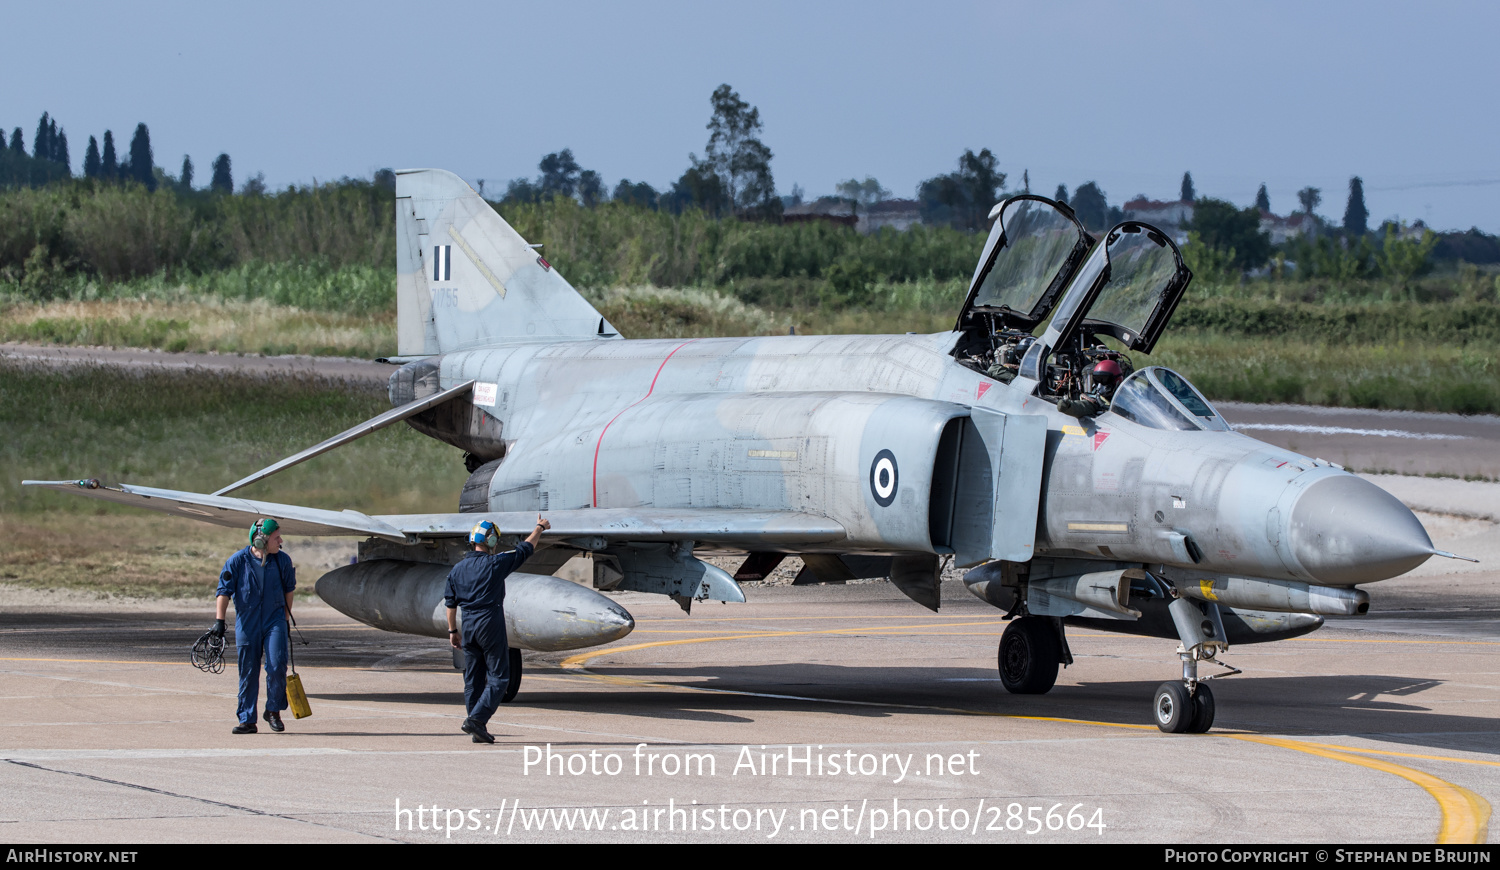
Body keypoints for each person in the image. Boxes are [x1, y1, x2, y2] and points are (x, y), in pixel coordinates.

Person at [445, 515, 549, 744]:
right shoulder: (495, 563)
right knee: (500, 677)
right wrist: (539, 528)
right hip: (489, 623)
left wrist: (453, 631)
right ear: (491, 541)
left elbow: (450, 604)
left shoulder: (457, 570)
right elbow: (525, 549)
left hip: (468, 625)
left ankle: (476, 725)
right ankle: (477, 721)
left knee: (473, 679)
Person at [210, 518, 295, 734]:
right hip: (247, 623)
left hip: (274, 620)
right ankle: (247, 720)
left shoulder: (282, 561)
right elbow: (224, 592)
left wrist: (285, 620)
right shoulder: (237, 561)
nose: (281, 541)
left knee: (277, 666)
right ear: (261, 541)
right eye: (276, 538)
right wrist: (219, 622)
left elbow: (289, 591)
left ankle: (273, 711)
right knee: (248, 671)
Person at [1058, 358, 1123, 419]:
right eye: (1097, 380)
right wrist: (1068, 406)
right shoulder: (1096, 401)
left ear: (1117, 380)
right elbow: (1082, 407)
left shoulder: (1126, 399)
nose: (1099, 385)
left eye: (1104, 380)